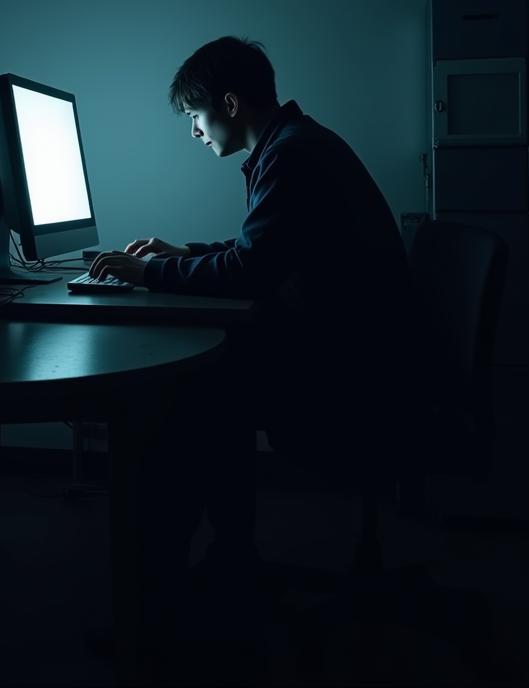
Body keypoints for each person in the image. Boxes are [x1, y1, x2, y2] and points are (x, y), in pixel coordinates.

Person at [87, 36, 413, 666]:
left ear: (230, 104)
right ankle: (225, 567)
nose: (193, 132)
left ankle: (157, 607)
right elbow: (269, 249)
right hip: (361, 357)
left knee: (181, 401)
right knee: (210, 386)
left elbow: (251, 270)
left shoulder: (291, 157)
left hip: (351, 379)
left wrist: (146, 274)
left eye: (194, 116)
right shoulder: (295, 145)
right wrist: (182, 255)